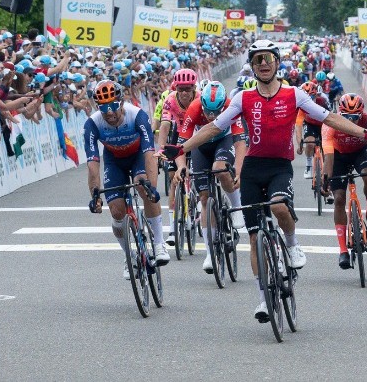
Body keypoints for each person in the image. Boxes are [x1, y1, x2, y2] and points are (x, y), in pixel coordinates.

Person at [178, 39, 367, 323]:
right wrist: (181, 149)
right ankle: (262, 299)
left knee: (279, 207)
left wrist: (365, 134)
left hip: (280, 166)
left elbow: (329, 118)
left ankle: (292, 245)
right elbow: (215, 127)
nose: (264, 64)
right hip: (253, 168)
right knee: (255, 238)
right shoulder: (243, 98)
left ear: (277, 62)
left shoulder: (294, 94)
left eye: (268, 59)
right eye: (258, 61)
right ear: (253, 67)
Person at [85, 80, 170, 274]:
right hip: (114, 161)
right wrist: (95, 195)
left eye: (113, 106)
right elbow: (93, 163)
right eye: (104, 108)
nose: (110, 113)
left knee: (143, 187)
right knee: (116, 211)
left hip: (138, 156)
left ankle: (158, 243)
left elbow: (149, 153)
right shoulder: (92, 123)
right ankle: (129, 256)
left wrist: (152, 188)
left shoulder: (137, 115)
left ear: (121, 103)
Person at [172, 80, 246, 274]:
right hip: (202, 146)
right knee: (204, 197)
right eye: (208, 111)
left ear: (224, 106)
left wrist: (238, 170)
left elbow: (240, 143)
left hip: (225, 140)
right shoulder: (195, 108)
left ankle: (236, 207)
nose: (211, 116)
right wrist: (181, 167)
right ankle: (209, 252)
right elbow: (181, 145)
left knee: (220, 169)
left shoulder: (232, 106)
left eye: (216, 112)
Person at [321, 93, 367, 270]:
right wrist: (326, 179)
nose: (352, 121)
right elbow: (329, 157)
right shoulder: (330, 124)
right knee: (339, 198)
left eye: (355, 117)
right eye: (347, 118)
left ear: (361, 113)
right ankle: (342, 250)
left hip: (359, 153)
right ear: (340, 114)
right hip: (338, 156)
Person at [158, 68, 198, 246]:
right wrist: (161, 149)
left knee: (199, 172)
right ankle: (173, 229)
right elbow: (165, 124)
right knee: (173, 179)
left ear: (193, 88)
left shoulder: (199, 98)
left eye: (187, 89)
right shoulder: (170, 99)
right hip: (178, 135)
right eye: (180, 89)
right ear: (175, 88)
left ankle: (196, 202)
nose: (183, 93)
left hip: (197, 134)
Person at [294, 80, 329, 182]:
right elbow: (298, 126)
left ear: (316, 95)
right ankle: (309, 165)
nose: (309, 100)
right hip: (310, 125)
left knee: (326, 151)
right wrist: (300, 144)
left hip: (324, 124)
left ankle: (326, 177)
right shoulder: (301, 107)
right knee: (309, 143)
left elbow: (332, 117)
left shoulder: (322, 101)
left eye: (312, 97)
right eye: (306, 98)